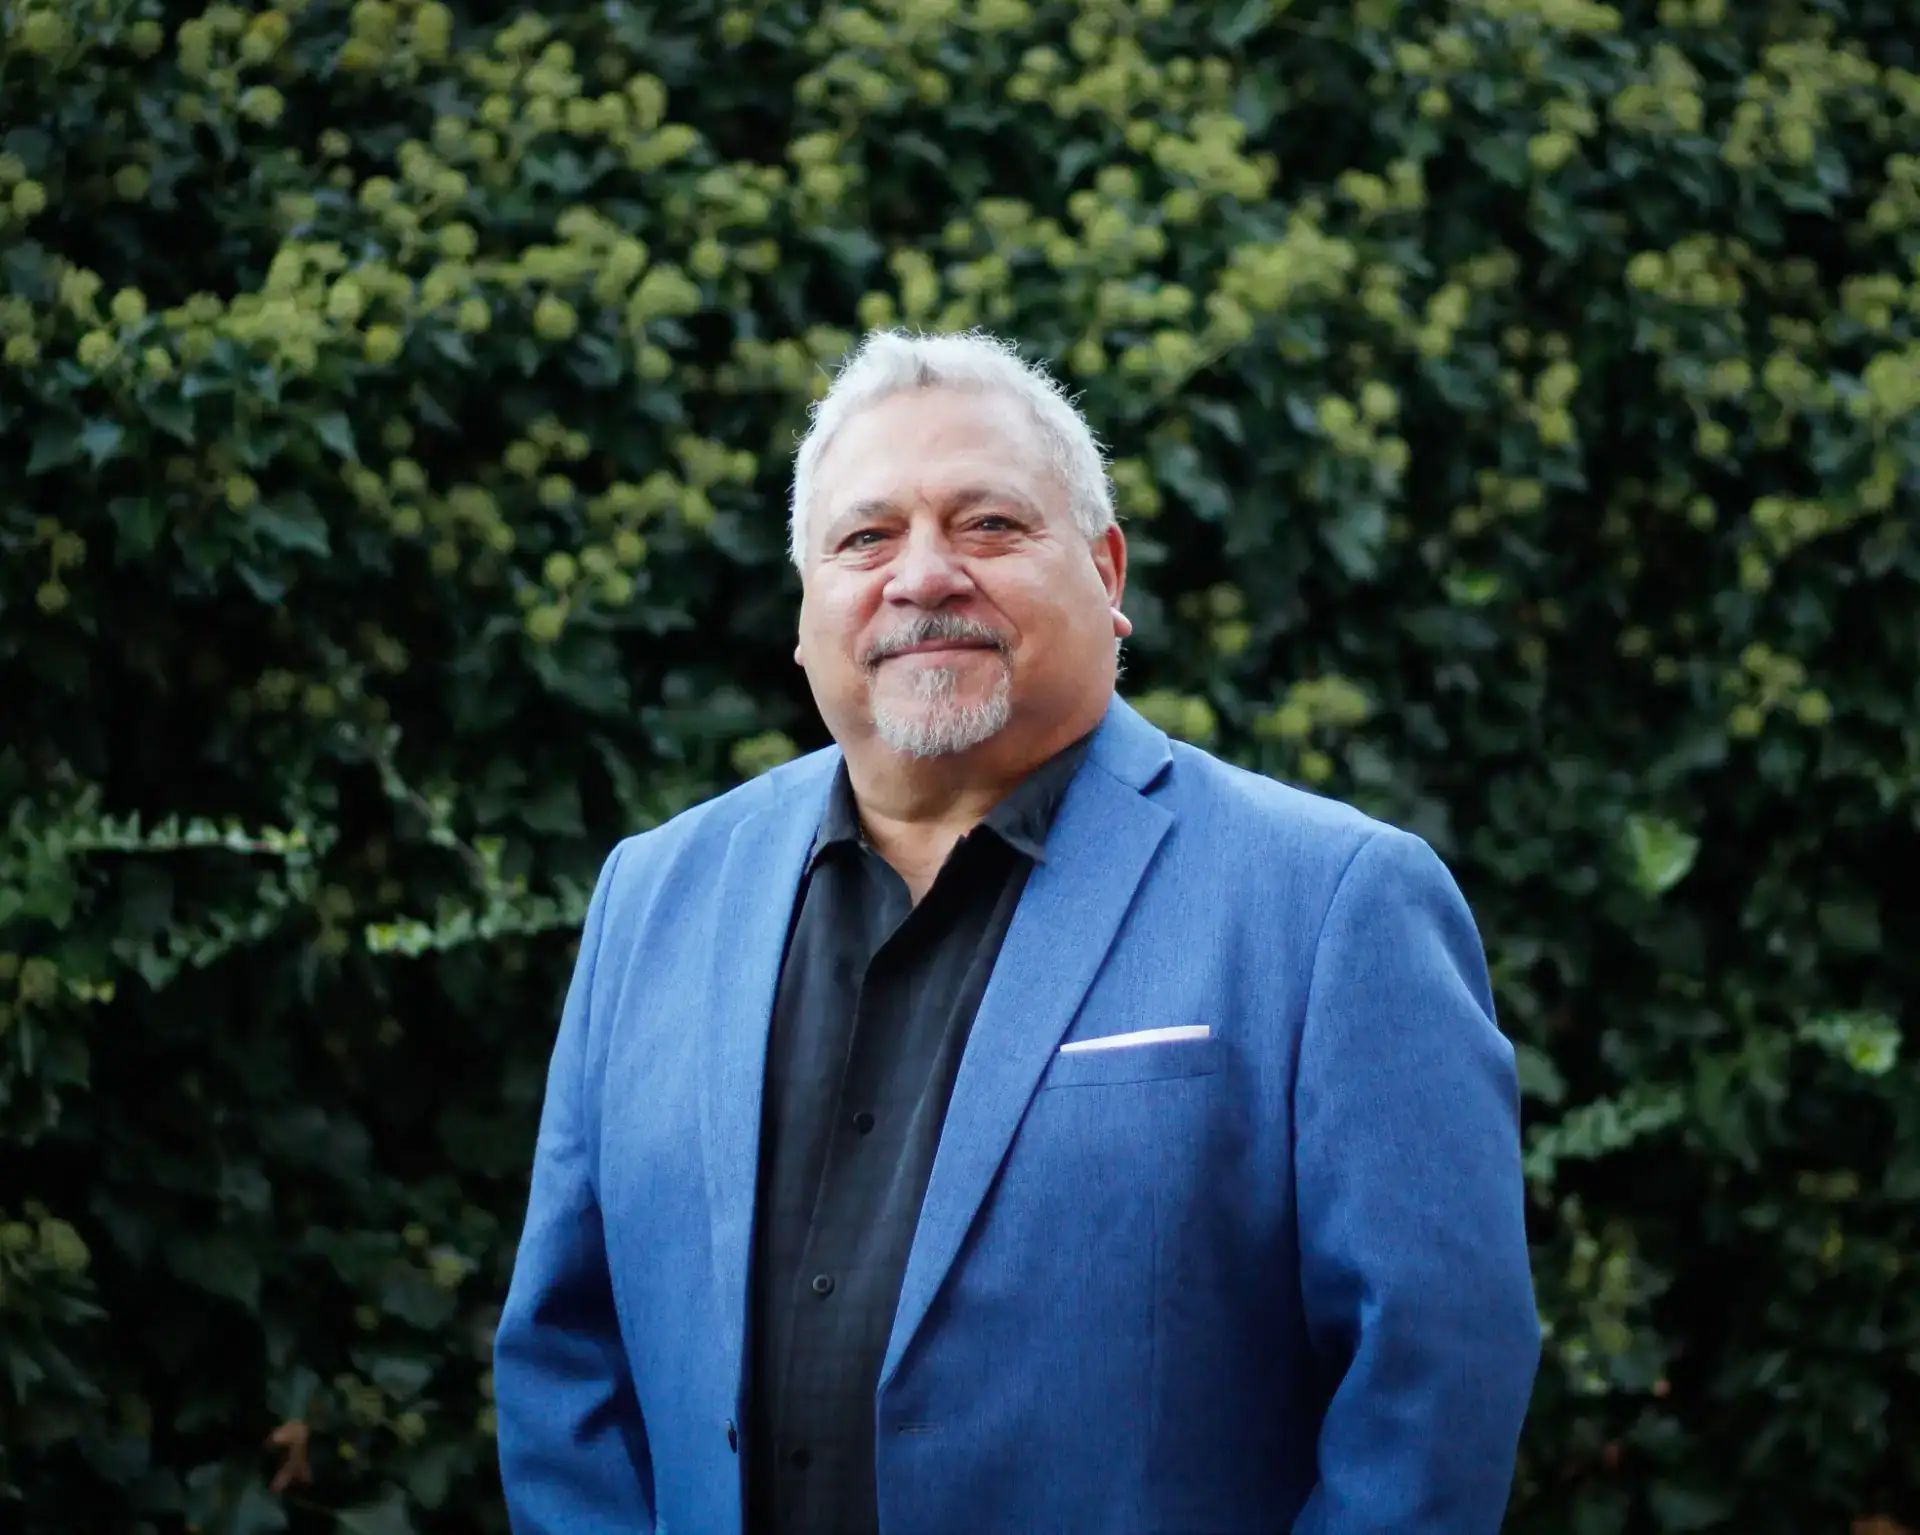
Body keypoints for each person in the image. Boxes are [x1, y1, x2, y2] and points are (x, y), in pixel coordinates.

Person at [493, 329, 1540, 1535]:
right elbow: (565, 1355)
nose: (923, 575)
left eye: (988, 524)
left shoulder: (1332, 902)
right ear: (804, 611)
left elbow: (1432, 1386)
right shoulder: (653, 895)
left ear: (1106, 571)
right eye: (865, 537)